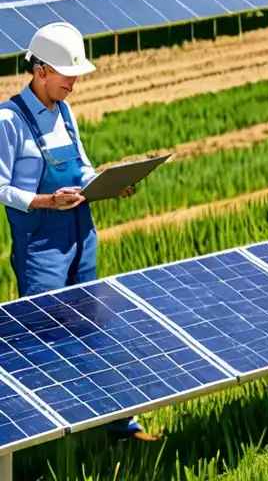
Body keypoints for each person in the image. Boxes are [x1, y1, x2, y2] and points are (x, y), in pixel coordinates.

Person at [0, 22, 158, 441]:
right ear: (41, 71)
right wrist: (47, 201)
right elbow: (0, 187)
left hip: (81, 233)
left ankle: (120, 424)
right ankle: (42, 429)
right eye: (68, 74)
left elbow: (82, 165)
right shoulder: (8, 120)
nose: (74, 83)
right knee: (44, 334)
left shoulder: (65, 112)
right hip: (42, 245)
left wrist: (105, 184)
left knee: (94, 325)